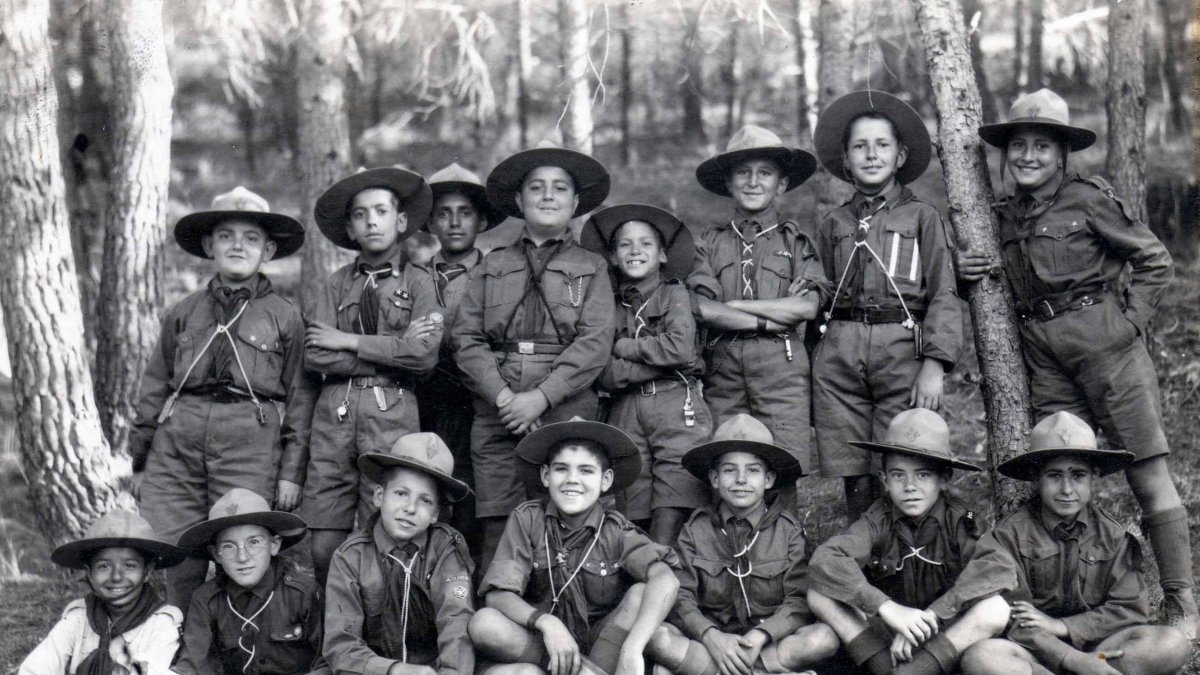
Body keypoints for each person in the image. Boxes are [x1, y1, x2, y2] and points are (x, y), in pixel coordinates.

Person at [957, 88, 1197, 638]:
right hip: (1042, 356)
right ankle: (1074, 600)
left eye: (1043, 145)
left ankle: (1182, 603)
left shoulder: (1088, 200)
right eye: (1019, 145)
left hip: (1107, 348)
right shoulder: (999, 216)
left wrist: (1128, 324)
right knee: (1059, 471)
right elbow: (985, 278)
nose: (1029, 156)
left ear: (1063, 153)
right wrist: (961, 268)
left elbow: (1154, 259)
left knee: (1145, 469)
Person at [131, 186, 308, 609]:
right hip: (179, 442)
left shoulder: (285, 317)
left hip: (249, 436)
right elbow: (155, 385)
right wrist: (140, 458)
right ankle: (181, 645)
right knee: (175, 547)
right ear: (209, 245)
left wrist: (291, 472)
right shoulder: (182, 312)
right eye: (226, 235)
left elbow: (301, 398)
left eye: (250, 238)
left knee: (244, 542)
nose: (237, 246)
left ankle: (246, 643)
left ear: (268, 249)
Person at [453, 141, 616, 567]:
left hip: (564, 401)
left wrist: (541, 398)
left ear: (575, 202)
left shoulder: (594, 267)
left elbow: (595, 341)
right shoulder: (490, 266)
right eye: (536, 187)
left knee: (566, 512)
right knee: (497, 520)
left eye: (559, 188)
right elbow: (466, 338)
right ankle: (496, 619)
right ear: (519, 200)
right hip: (497, 404)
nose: (547, 195)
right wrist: (505, 399)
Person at [810, 91, 962, 523]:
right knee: (852, 463)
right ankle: (865, 554)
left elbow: (944, 292)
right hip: (839, 353)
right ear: (845, 158)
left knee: (905, 452)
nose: (871, 155)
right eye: (860, 146)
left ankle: (912, 551)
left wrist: (935, 363)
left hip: (901, 350)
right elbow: (821, 293)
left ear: (900, 156)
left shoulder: (922, 217)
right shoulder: (834, 222)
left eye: (882, 145)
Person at [959, 412, 1192, 675]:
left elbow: (1128, 609)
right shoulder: (1008, 535)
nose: (1067, 489)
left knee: (1171, 644)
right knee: (982, 657)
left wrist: (1065, 627)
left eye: (1078, 475)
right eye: (1055, 476)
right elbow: (1012, 617)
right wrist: (1069, 658)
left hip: (1100, 651)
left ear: (1094, 475)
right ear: (1037, 476)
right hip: (1035, 655)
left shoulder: (1113, 535)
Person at [301, 166, 441, 584]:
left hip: (392, 409)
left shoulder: (420, 283)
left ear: (400, 222)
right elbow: (315, 357)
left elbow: (423, 358)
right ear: (350, 227)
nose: (372, 221)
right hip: (336, 412)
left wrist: (347, 341)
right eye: (361, 215)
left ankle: (377, 628)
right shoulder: (336, 283)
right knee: (323, 536)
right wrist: (394, 349)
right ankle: (332, 629)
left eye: (381, 211)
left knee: (383, 522)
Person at [807, 409, 1013, 675]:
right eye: (898, 475)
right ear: (885, 480)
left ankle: (915, 671)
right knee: (819, 594)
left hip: (946, 631)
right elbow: (826, 559)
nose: (909, 486)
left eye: (923, 475)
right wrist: (887, 608)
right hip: (890, 631)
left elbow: (998, 566)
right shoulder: (876, 517)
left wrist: (935, 614)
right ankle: (884, 668)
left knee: (994, 609)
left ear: (944, 478)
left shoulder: (964, 517)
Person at [468, 419, 680, 675]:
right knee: (484, 623)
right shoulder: (527, 519)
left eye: (586, 471)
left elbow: (666, 579)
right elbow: (497, 595)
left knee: (640, 593)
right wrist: (547, 623)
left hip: (603, 648)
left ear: (606, 479)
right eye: (561, 469)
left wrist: (632, 649)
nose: (572, 480)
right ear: (546, 475)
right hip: (545, 647)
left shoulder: (616, 529)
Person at [686, 124, 827, 490]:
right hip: (722, 366)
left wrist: (733, 304)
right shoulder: (708, 243)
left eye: (764, 173)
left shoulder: (796, 242)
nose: (753, 182)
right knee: (724, 461)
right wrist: (769, 317)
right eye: (742, 173)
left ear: (780, 185)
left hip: (783, 368)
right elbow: (702, 309)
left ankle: (783, 545)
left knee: (781, 465)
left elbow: (808, 308)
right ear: (728, 183)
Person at [645, 414, 840, 675]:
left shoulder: (789, 531)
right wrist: (710, 636)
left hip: (768, 642)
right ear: (714, 479)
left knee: (824, 637)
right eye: (729, 470)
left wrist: (762, 635)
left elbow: (798, 600)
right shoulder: (695, 530)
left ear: (768, 480)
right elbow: (682, 596)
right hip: (714, 639)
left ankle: (716, 671)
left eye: (753, 470)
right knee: (657, 635)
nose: (740, 479)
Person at [579, 203, 710, 543]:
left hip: (674, 402)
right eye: (625, 244)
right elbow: (604, 372)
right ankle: (639, 577)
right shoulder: (606, 302)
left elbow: (680, 349)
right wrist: (659, 360)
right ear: (612, 256)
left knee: (677, 490)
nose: (635, 251)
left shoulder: (674, 293)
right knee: (631, 495)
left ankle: (669, 573)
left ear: (663, 254)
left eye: (646, 243)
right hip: (625, 407)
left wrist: (626, 348)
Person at [323, 431, 476, 675]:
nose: (410, 508)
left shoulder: (445, 549)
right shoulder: (350, 557)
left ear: (436, 513)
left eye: (425, 500)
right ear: (379, 496)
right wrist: (395, 670)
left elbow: (456, 621)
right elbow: (342, 645)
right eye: (401, 493)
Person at [416, 162, 506, 565]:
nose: (454, 223)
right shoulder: (411, 275)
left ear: (482, 220)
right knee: (420, 483)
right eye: (443, 213)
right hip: (419, 396)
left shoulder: (496, 274)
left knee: (468, 492)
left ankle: (465, 581)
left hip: (472, 398)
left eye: (465, 213)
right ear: (429, 221)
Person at [174, 488, 327, 675]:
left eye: (254, 542)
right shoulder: (206, 599)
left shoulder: (303, 593)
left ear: (274, 545)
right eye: (229, 547)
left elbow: (326, 661)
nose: (243, 557)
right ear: (216, 554)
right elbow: (193, 665)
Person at [19, 510, 187, 675]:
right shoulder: (79, 616)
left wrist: (127, 667)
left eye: (129, 565)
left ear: (147, 572)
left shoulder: (163, 621)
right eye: (104, 566)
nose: (116, 577)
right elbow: (35, 668)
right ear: (89, 573)